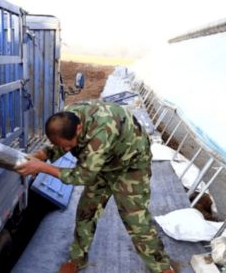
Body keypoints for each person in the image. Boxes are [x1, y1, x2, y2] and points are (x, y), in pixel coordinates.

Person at [16, 100, 174, 273]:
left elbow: (82, 175)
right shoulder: (68, 117)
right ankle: (77, 259)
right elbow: (62, 144)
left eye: (70, 144)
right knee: (86, 212)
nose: (67, 149)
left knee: (136, 220)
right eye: (65, 146)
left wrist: (41, 167)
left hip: (130, 167)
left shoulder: (102, 132)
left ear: (79, 128)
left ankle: (162, 267)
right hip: (102, 164)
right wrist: (41, 155)